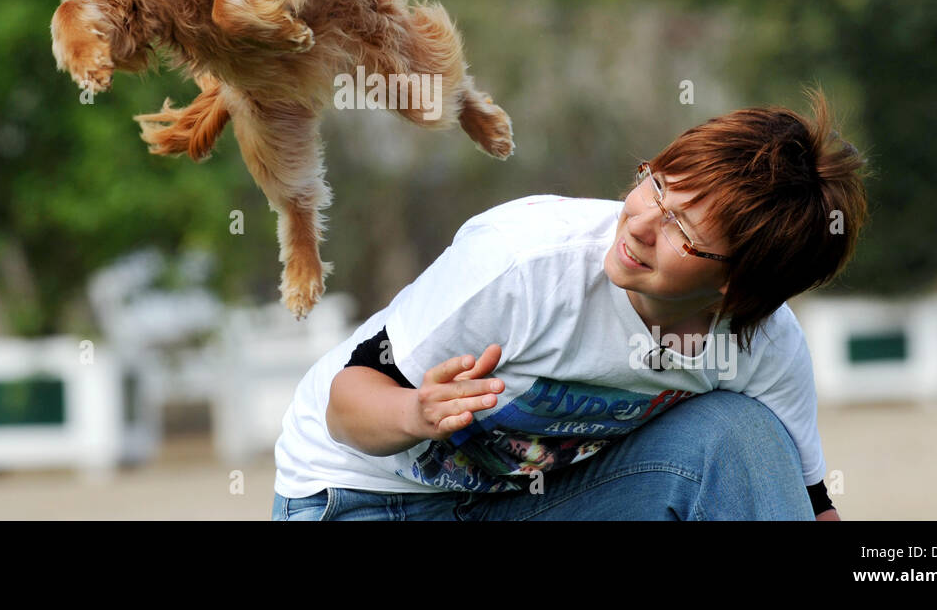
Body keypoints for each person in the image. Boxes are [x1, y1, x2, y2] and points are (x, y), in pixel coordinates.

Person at [271, 88, 867, 520]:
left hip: (528, 504)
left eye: (684, 228)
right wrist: (416, 413)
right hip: (362, 495)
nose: (638, 223)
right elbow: (344, 408)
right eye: (656, 185)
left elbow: (803, 503)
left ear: (736, 289)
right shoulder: (521, 262)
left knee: (740, 434)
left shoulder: (760, 342)